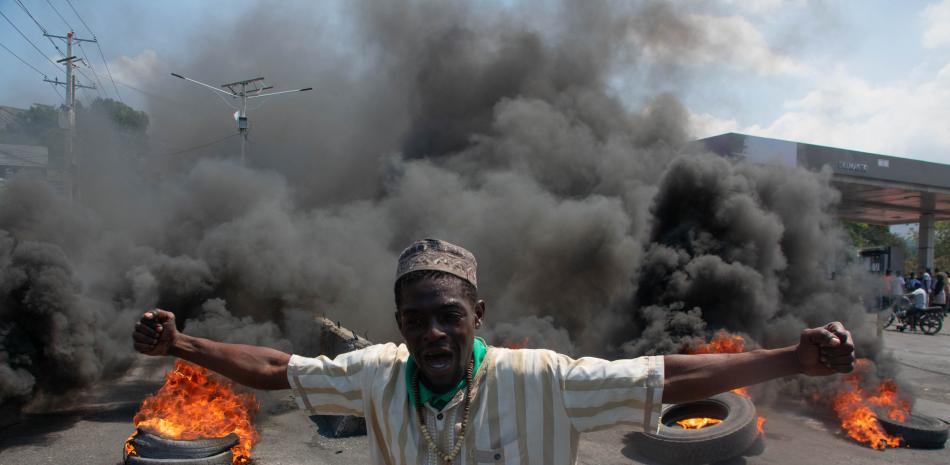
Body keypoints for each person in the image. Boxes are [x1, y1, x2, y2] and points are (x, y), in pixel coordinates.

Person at [132, 239, 856, 465]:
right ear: (398, 322)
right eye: (417, 319)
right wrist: (180, 344)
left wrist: (790, 358)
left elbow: (669, 375)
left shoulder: (542, 378)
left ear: (477, 315)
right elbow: (273, 369)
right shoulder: (377, 371)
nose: (434, 333)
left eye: (450, 316)